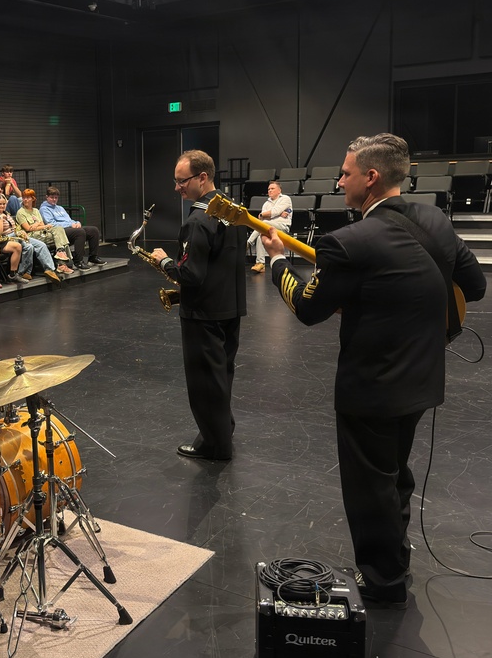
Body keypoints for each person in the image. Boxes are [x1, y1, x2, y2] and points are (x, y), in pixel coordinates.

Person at [260, 133, 486, 607]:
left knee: (369, 486)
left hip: (371, 388)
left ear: (371, 176)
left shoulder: (349, 241)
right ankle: (394, 560)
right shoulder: (435, 220)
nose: (339, 181)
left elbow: (307, 307)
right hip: (424, 377)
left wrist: (279, 258)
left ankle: (383, 580)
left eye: (345, 172)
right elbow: (475, 286)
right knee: (394, 474)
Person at [151, 149, 247, 461]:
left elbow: (190, 275)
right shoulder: (232, 211)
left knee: (204, 384)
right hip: (230, 308)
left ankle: (215, 445)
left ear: (202, 178)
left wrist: (164, 260)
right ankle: (222, 429)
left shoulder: (197, 221)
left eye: (182, 181)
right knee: (222, 376)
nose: (177, 187)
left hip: (203, 315)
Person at [0, 196, 60, 282]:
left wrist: (21, 232)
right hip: (6, 238)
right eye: (0, 204)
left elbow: (15, 227)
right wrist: (1, 218)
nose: (2, 206)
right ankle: (23, 272)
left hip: (17, 235)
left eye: (4, 204)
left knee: (41, 245)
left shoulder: (7, 214)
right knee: (29, 247)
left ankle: (50, 270)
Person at [39, 186, 104, 270]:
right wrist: (70, 225)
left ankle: (93, 258)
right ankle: (78, 262)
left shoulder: (60, 208)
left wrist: (76, 223)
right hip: (58, 232)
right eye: (52, 197)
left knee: (93, 230)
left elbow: (69, 220)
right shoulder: (44, 209)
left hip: (69, 228)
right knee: (80, 232)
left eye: (56, 198)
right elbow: (52, 224)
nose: (54, 200)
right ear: (46, 197)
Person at [16, 188, 74, 272]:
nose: (25, 199)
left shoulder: (36, 211)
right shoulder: (20, 212)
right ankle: (63, 264)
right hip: (31, 236)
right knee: (60, 239)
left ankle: (60, 254)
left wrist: (37, 225)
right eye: (24, 197)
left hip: (42, 233)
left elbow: (43, 225)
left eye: (28, 197)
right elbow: (28, 228)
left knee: (59, 230)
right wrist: (37, 223)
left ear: (33, 198)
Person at [249, 181, 291, 273]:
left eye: (272, 189)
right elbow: (261, 217)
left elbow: (273, 212)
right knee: (261, 236)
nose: (270, 191)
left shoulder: (285, 199)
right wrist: (277, 213)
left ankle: (248, 242)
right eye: (268, 189)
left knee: (265, 224)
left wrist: (269, 214)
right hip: (269, 228)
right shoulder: (266, 203)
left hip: (282, 227)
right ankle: (260, 264)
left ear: (279, 191)